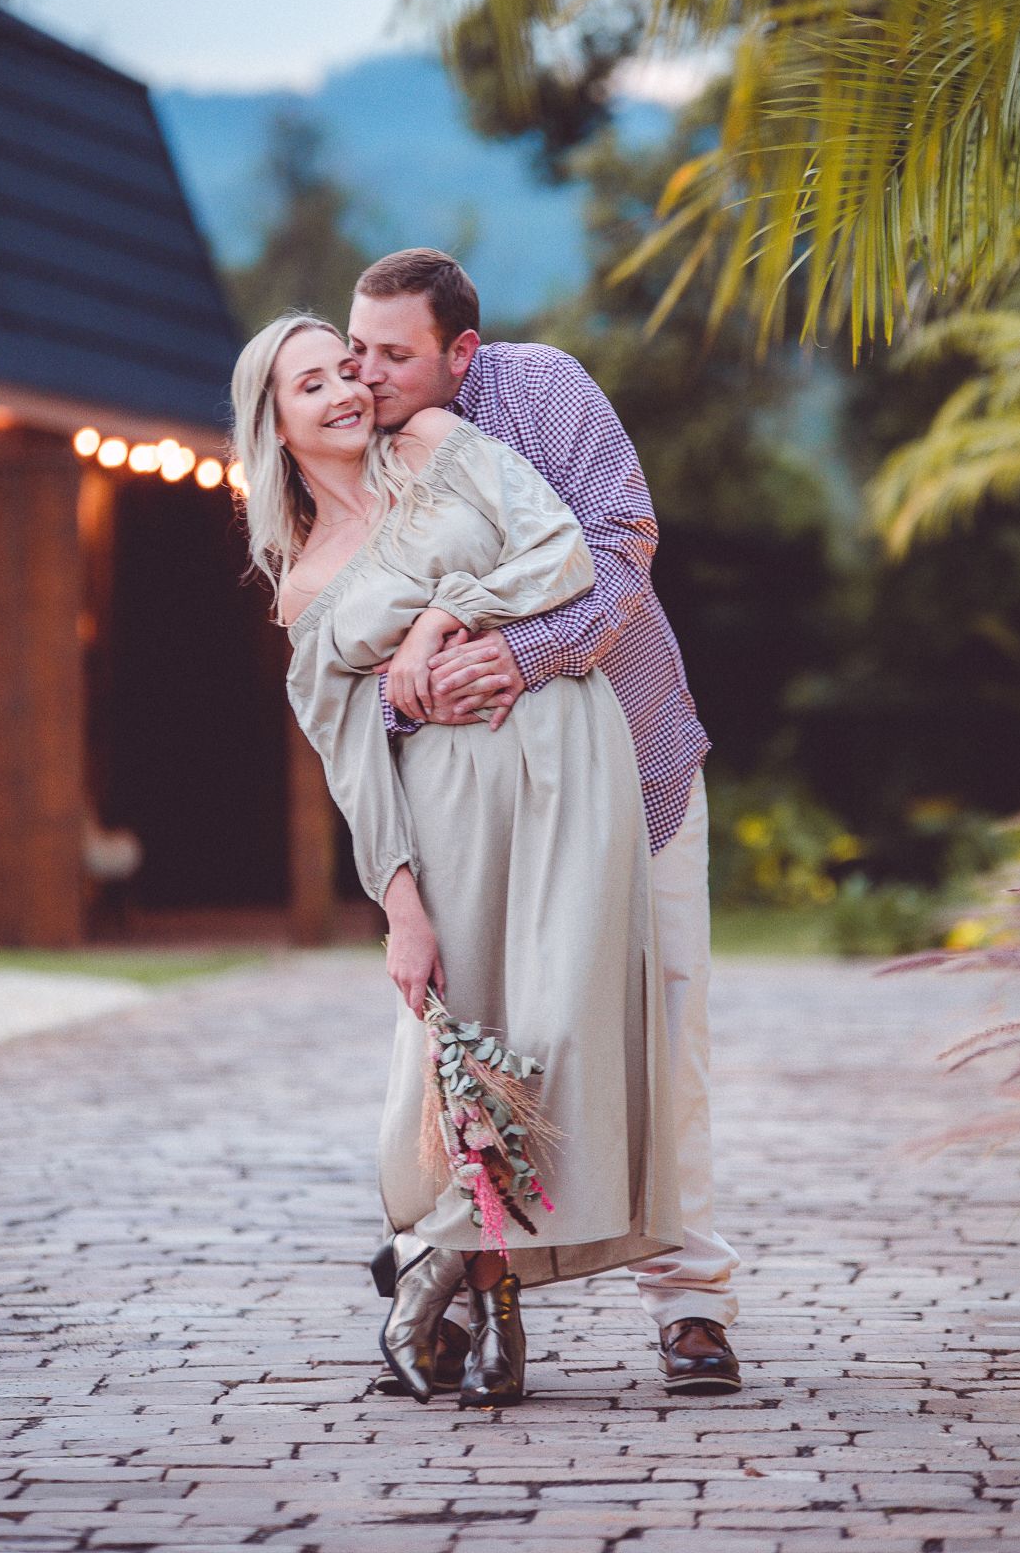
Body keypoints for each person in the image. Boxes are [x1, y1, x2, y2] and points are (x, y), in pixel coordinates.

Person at [230, 313, 684, 1409]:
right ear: (276, 425)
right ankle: (496, 1318)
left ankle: (426, 1264)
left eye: (349, 367)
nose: (346, 389)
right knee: (473, 1067)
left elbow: (562, 551)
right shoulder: (302, 588)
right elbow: (352, 762)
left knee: (563, 1028)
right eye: (313, 383)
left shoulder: (438, 444)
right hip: (443, 818)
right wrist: (399, 907)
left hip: (572, 765)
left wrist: (443, 615)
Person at [347, 248, 742, 1396]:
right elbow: (339, 658)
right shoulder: (348, 454)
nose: (366, 376)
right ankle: (450, 1293)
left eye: (394, 355)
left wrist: (511, 660)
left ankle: (690, 1306)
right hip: (471, 813)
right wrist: (410, 686)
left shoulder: (542, 393)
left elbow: (621, 548)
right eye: (356, 349)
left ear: (461, 351)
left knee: (666, 1032)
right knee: (463, 1041)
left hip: (634, 765)